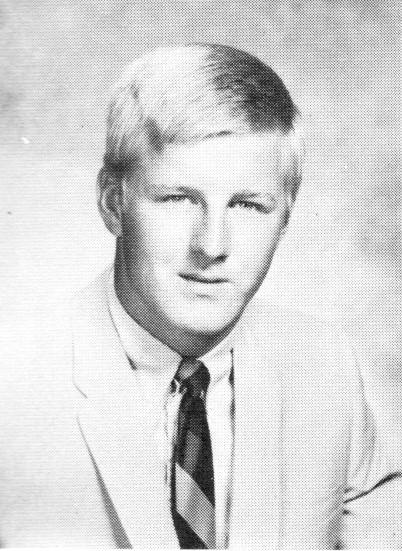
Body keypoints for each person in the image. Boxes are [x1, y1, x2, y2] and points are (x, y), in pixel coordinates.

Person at [0, 43, 400, 549]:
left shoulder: (322, 365)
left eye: (248, 205)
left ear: (286, 218)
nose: (212, 246)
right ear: (112, 203)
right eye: (178, 199)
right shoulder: (14, 382)